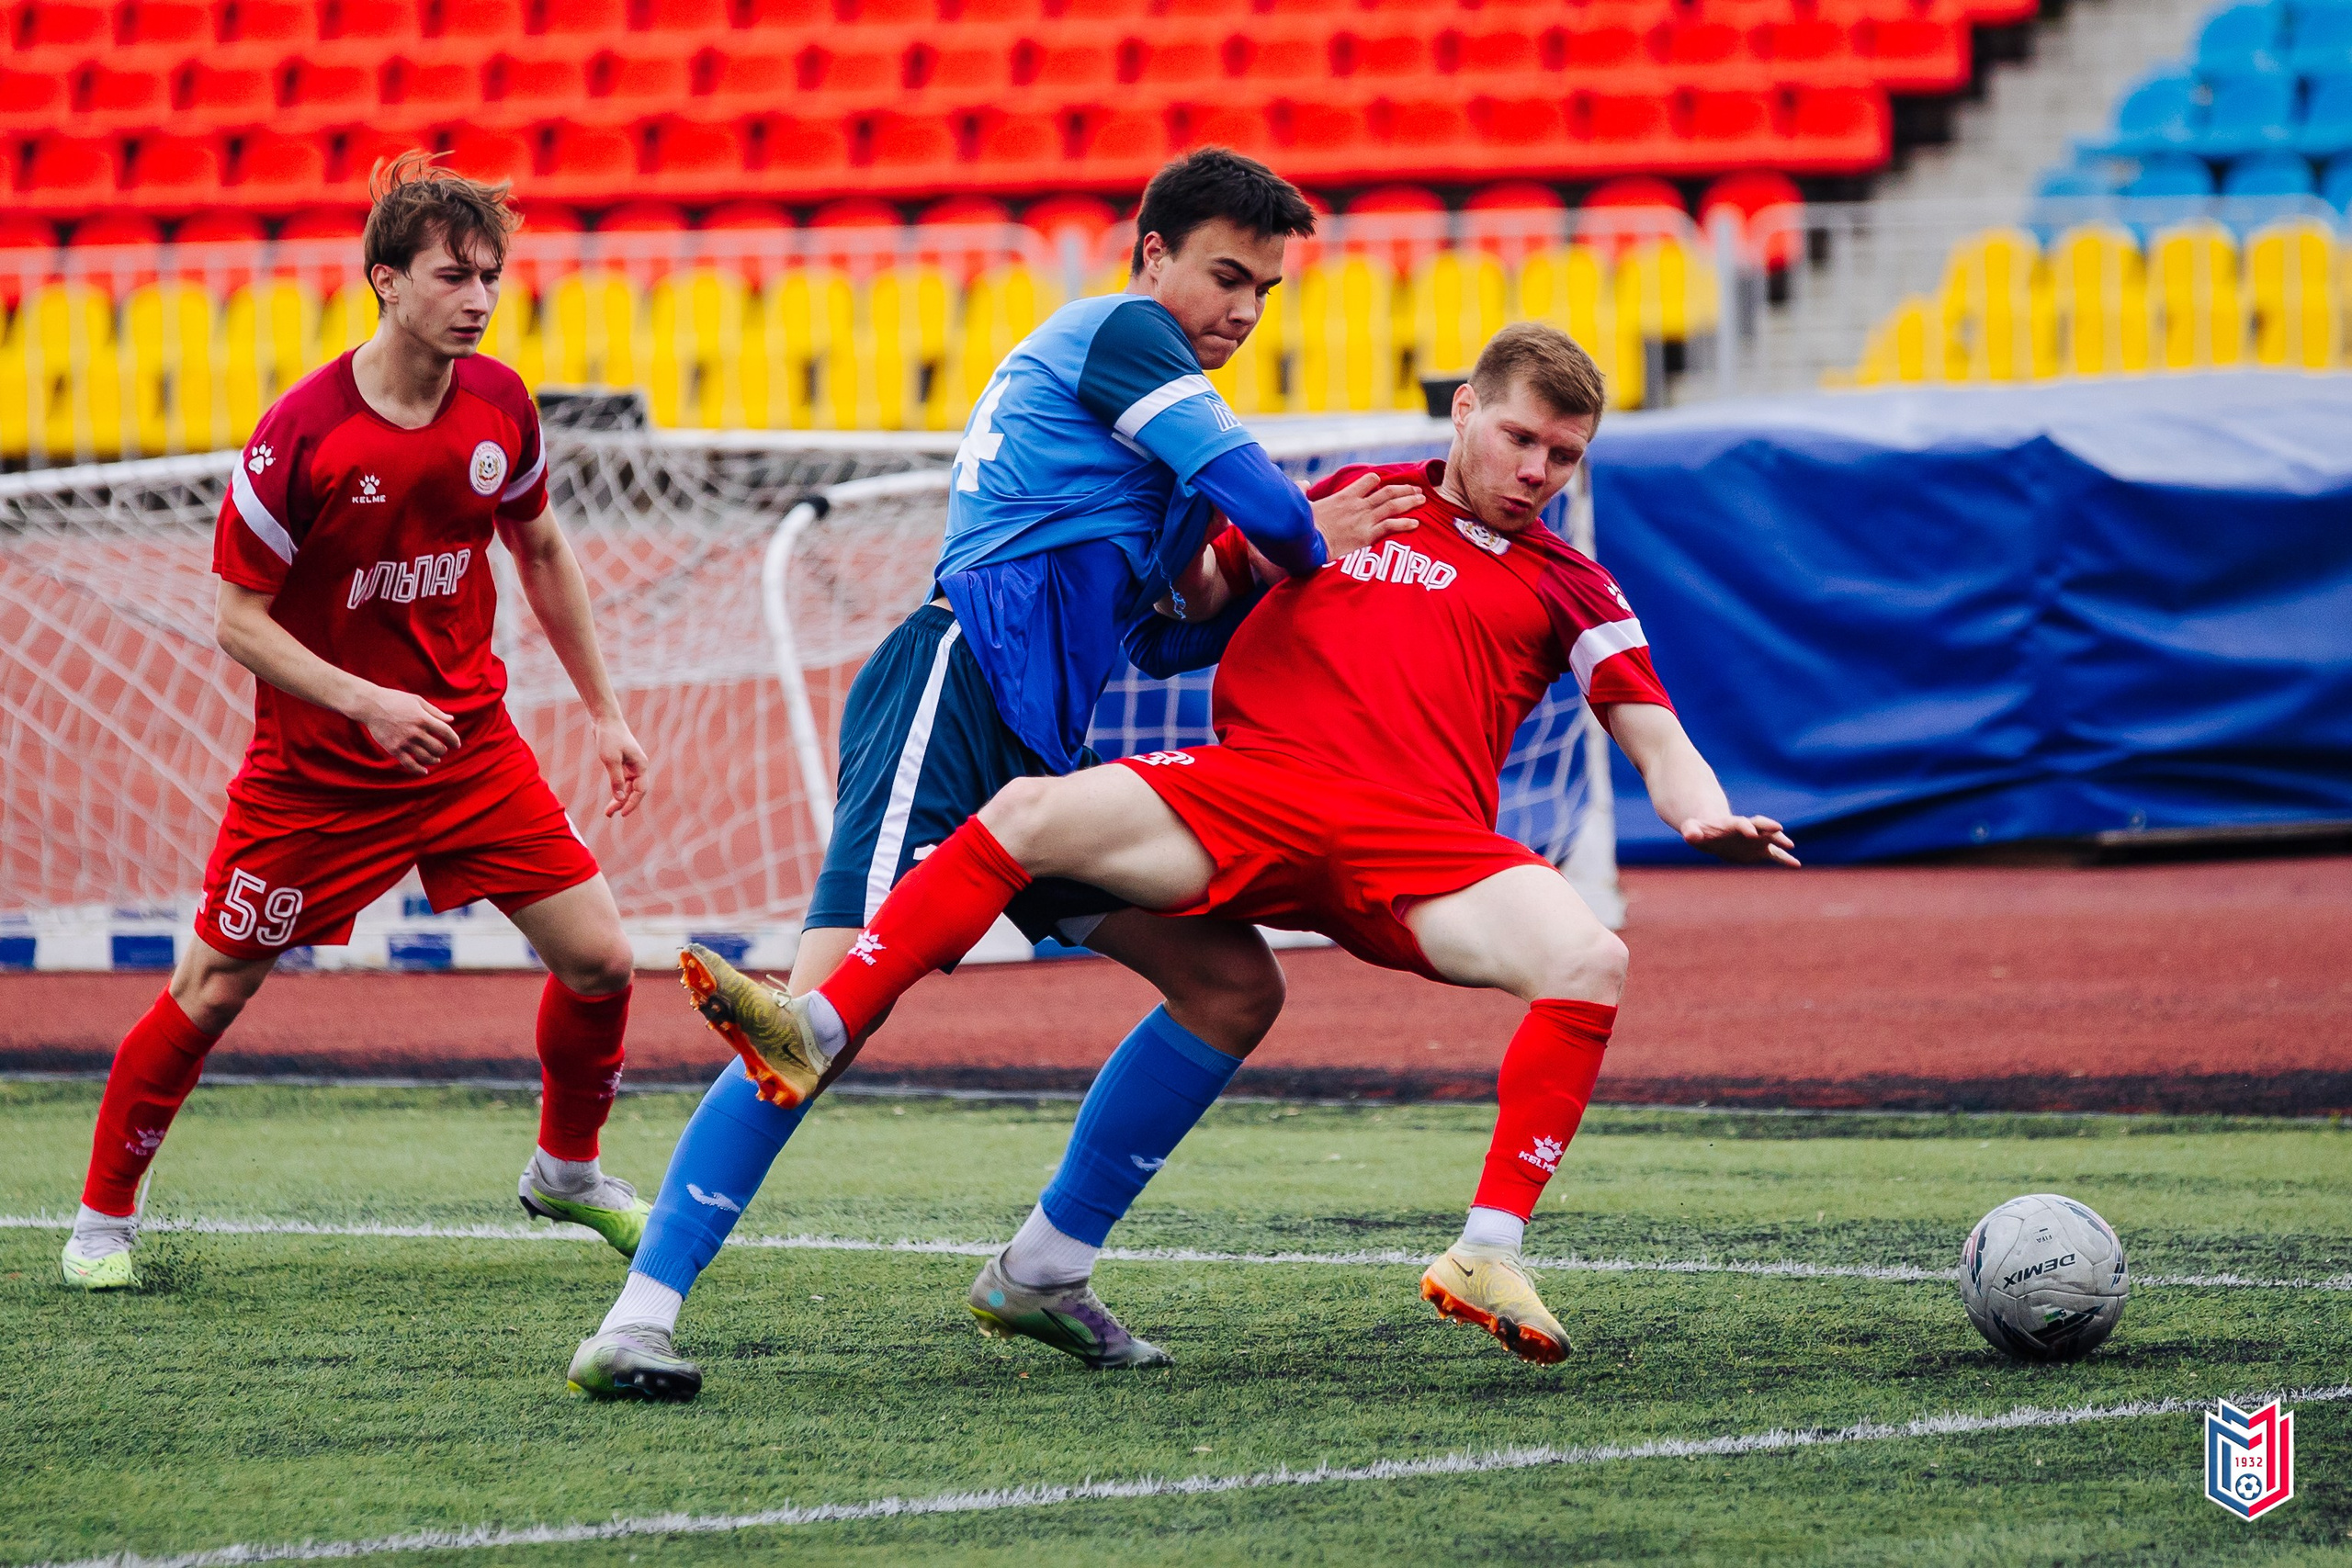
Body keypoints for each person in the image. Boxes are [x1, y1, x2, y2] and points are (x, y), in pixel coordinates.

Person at [717, 322, 1799, 1368]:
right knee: (1028, 815)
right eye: (1520, 439)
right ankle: (819, 1023)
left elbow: (1653, 732)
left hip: (1420, 844)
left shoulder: (1575, 582)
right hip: (1254, 789)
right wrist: (1194, 498)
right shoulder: (1346, 502)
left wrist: (1700, 811)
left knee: (1589, 961)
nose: (1537, 471)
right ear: (1466, 409)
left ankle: (1487, 1252)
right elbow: (1193, 594)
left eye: (1563, 455)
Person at [565, 148, 1423, 1400]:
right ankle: (634, 1318)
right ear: (1152, 259)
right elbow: (1280, 519)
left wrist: (1250, 573)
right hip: (951, 691)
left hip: (1038, 756)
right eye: (1226, 276)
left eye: (1266, 291)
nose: (1243, 308)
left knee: (1230, 983)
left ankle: (1042, 1269)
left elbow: (1167, 631)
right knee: (819, 1022)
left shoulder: (1151, 438)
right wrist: (1303, 544)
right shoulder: (1128, 338)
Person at [60, 152, 654, 1291]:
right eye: (452, 275)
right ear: (384, 280)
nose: (477, 299)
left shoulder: (502, 405)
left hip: (470, 749)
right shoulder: (301, 438)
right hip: (320, 770)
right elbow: (238, 620)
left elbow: (539, 549)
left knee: (601, 961)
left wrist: (606, 712)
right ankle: (101, 1220)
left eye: (490, 276)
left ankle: (566, 1173)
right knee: (216, 984)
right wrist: (367, 700)